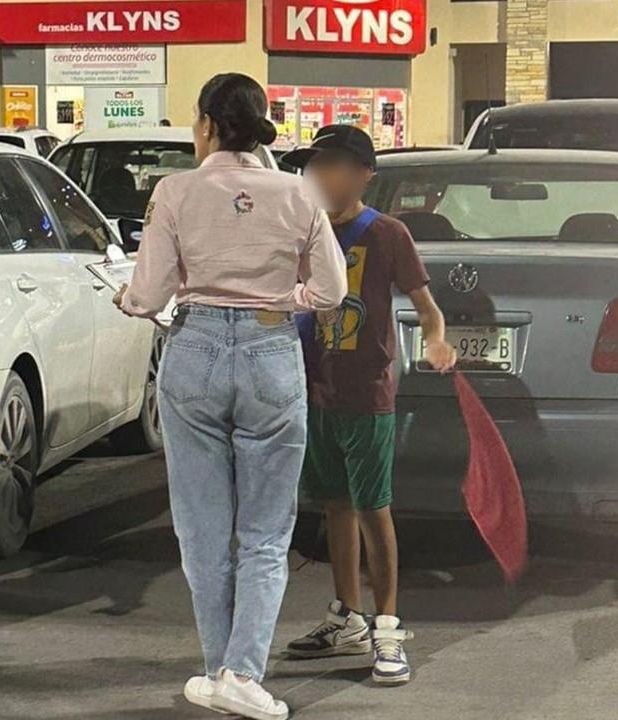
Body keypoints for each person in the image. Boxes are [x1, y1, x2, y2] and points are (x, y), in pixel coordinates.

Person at [115, 73, 347, 720]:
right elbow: (329, 292)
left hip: (194, 352)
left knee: (202, 529)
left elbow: (148, 294)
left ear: (210, 124)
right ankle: (240, 673)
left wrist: (130, 301)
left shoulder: (176, 191)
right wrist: (279, 302)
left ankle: (224, 668)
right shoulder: (297, 193)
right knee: (267, 532)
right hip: (273, 353)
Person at [282, 125, 456, 686]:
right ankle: (345, 615)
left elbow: (427, 307)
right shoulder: (299, 230)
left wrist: (434, 340)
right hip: (314, 390)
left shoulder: (385, 234)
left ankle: (386, 627)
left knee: (373, 508)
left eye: (332, 165)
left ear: (363, 175)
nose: (320, 176)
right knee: (334, 505)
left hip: (366, 393)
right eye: (313, 165)